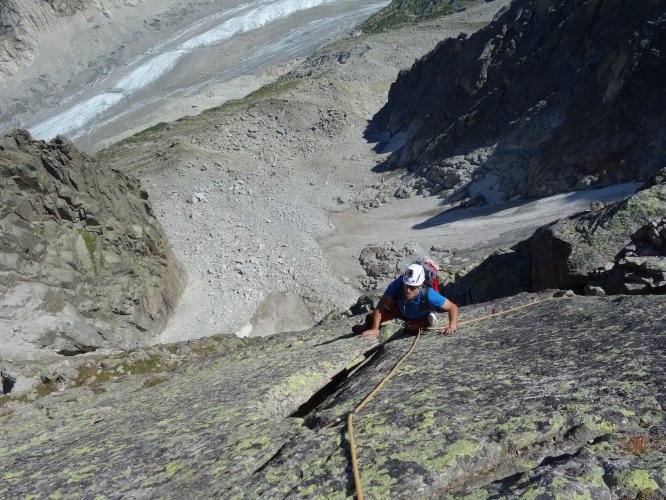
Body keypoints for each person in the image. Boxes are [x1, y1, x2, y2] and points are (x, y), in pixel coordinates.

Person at [353, 263, 458, 338]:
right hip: (399, 310)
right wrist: (375, 329)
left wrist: (452, 326)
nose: (408, 290)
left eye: (412, 287)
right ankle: (367, 326)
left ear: (420, 285)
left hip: (419, 314)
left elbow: (452, 307)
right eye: (406, 286)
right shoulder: (397, 285)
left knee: (412, 329)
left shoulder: (429, 294)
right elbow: (380, 307)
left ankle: (429, 318)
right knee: (371, 319)